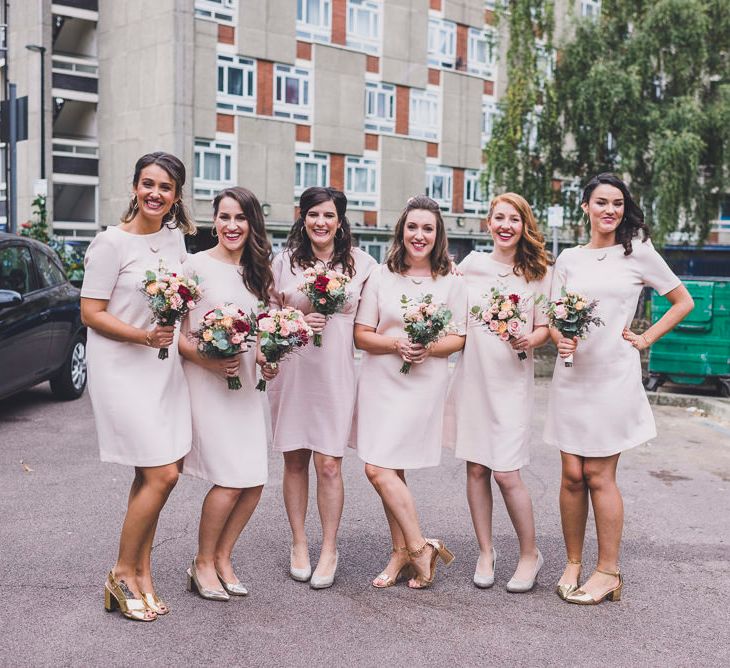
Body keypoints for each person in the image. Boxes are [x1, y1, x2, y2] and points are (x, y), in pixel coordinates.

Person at [545, 173, 694, 604]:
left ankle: (608, 571)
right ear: (585, 207)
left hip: (612, 377)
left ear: (624, 209)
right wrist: (561, 337)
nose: (610, 210)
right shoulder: (569, 258)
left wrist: (646, 338)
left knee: (597, 474)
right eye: (601, 202)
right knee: (571, 475)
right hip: (572, 375)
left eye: (617, 203)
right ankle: (573, 562)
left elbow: (683, 301)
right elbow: (556, 318)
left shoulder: (639, 252)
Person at [81, 152, 196, 621]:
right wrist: (144, 336)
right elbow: (91, 313)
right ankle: (122, 573)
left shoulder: (175, 241)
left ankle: (143, 572)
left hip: (162, 368)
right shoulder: (111, 244)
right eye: (147, 184)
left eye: (165, 187)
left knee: (152, 475)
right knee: (163, 473)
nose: (155, 193)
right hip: (121, 368)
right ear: (133, 187)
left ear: (176, 196)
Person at [353, 195, 467, 589]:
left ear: (439, 236)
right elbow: (362, 335)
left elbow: (459, 337)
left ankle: (417, 548)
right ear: (402, 230)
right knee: (389, 467)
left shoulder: (451, 282)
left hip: (423, 385)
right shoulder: (381, 276)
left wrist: (427, 348)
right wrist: (397, 344)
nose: (420, 235)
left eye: (428, 228)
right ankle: (404, 550)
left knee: (377, 468)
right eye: (413, 227)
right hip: (381, 381)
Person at [268, 186, 377, 589]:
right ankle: (299, 543)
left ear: (340, 221)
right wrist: (296, 322)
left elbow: (385, 305)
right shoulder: (282, 264)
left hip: (335, 374)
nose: (320, 222)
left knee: (329, 464)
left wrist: (450, 272)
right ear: (303, 218)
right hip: (293, 371)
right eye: (313, 214)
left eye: (328, 215)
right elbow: (269, 315)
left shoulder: (363, 265)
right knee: (294, 460)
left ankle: (330, 547)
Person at [445, 192, 552, 592]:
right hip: (473, 378)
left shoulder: (537, 271)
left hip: (511, 381)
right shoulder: (470, 265)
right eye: (499, 218)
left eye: (514, 219)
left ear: (524, 226)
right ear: (488, 223)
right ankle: (486, 551)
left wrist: (531, 338)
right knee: (476, 468)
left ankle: (530, 554)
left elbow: (544, 327)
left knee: (507, 473)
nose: (506, 226)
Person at [179, 187, 278, 601]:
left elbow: (261, 334)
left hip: (249, 388)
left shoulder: (259, 273)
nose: (232, 226)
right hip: (210, 386)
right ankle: (202, 562)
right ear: (213, 221)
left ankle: (223, 558)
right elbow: (178, 337)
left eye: (240, 218)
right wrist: (208, 361)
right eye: (224, 217)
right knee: (229, 480)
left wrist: (269, 359)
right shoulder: (195, 265)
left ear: (252, 224)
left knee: (253, 480)